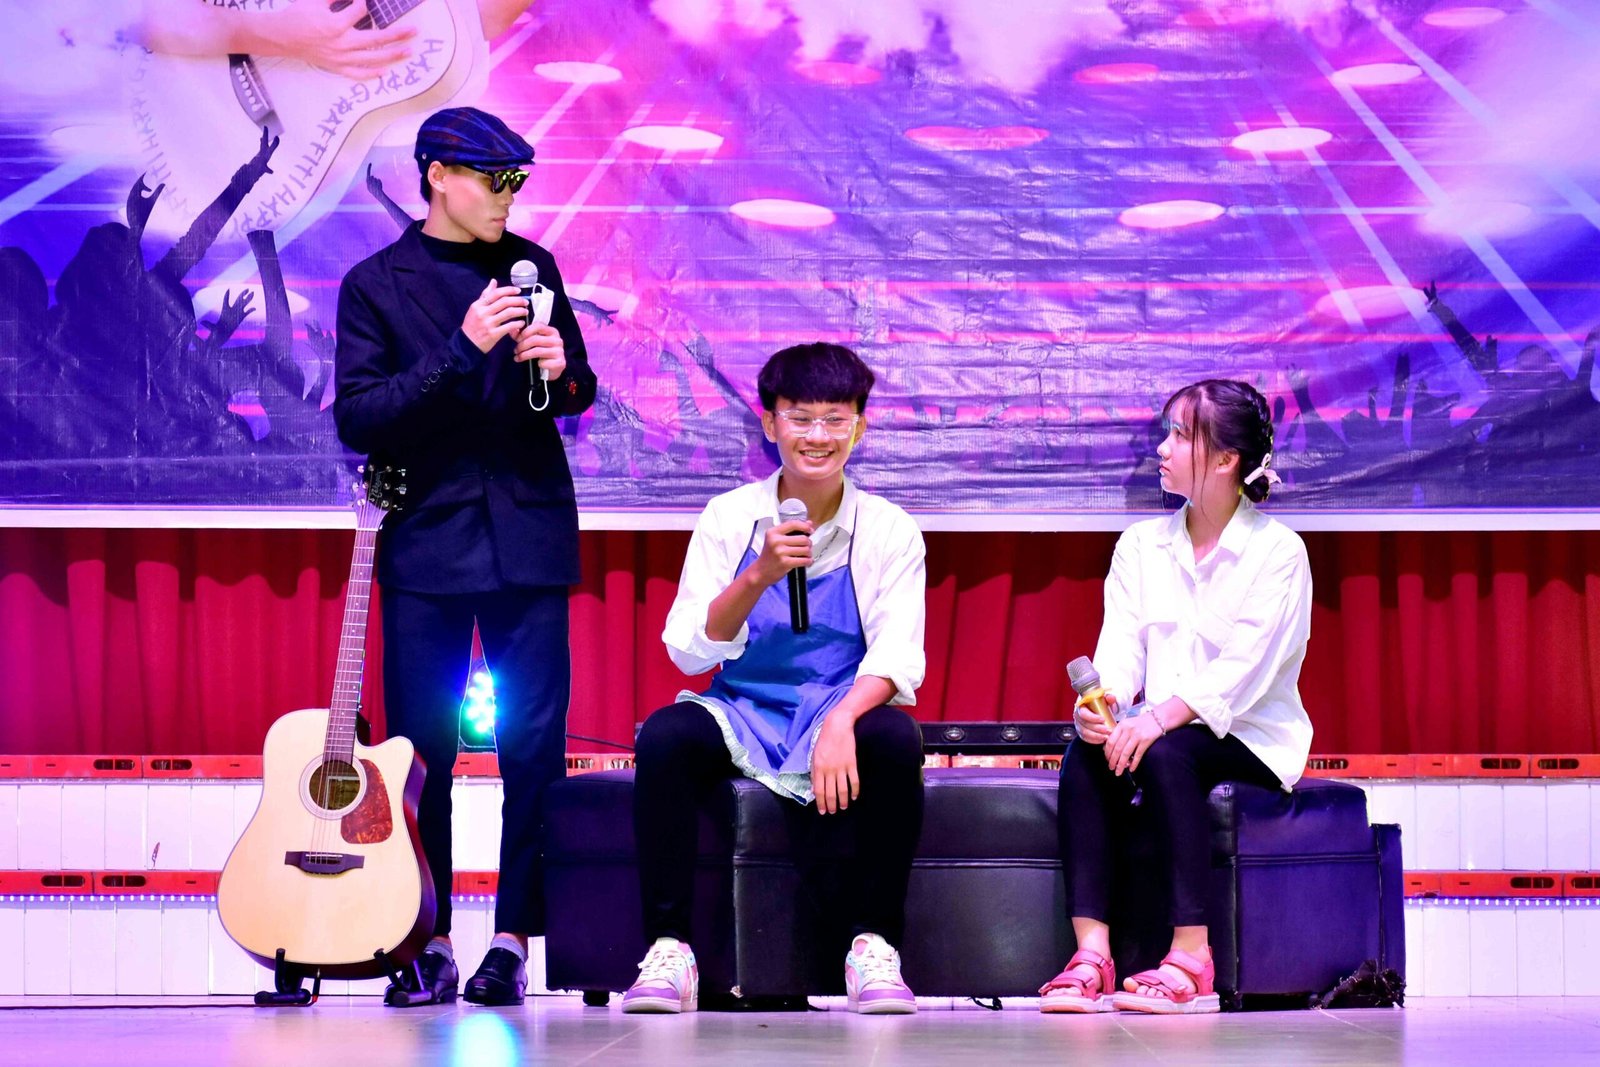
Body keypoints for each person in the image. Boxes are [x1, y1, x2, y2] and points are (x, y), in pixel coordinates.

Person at [333, 106, 596, 1007]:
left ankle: (513, 940)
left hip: (528, 535)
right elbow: (361, 416)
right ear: (438, 175)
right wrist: (462, 348)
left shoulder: (534, 266)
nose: (508, 196)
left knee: (533, 748)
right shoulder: (376, 284)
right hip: (427, 543)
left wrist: (560, 371)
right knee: (420, 754)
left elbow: (578, 390)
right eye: (494, 179)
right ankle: (429, 936)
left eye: (517, 181)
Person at [622, 343, 927, 1015]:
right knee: (666, 736)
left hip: (838, 703)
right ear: (769, 424)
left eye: (835, 418)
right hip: (744, 706)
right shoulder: (729, 517)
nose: (818, 436)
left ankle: (875, 946)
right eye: (800, 417)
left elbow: (897, 654)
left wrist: (842, 720)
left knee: (895, 740)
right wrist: (758, 573)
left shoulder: (890, 529)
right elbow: (688, 651)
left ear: (860, 427)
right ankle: (669, 949)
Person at [1039, 379, 1312, 1016]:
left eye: (1182, 436)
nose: (1162, 449)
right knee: (1087, 752)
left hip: (1249, 736)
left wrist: (1159, 719)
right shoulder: (1141, 545)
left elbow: (1243, 672)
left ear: (1227, 460)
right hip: (1161, 728)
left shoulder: (1278, 551)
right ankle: (1092, 955)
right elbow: (1118, 651)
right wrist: (1102, 709)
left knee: (1169, 752)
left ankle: (1191, 956)